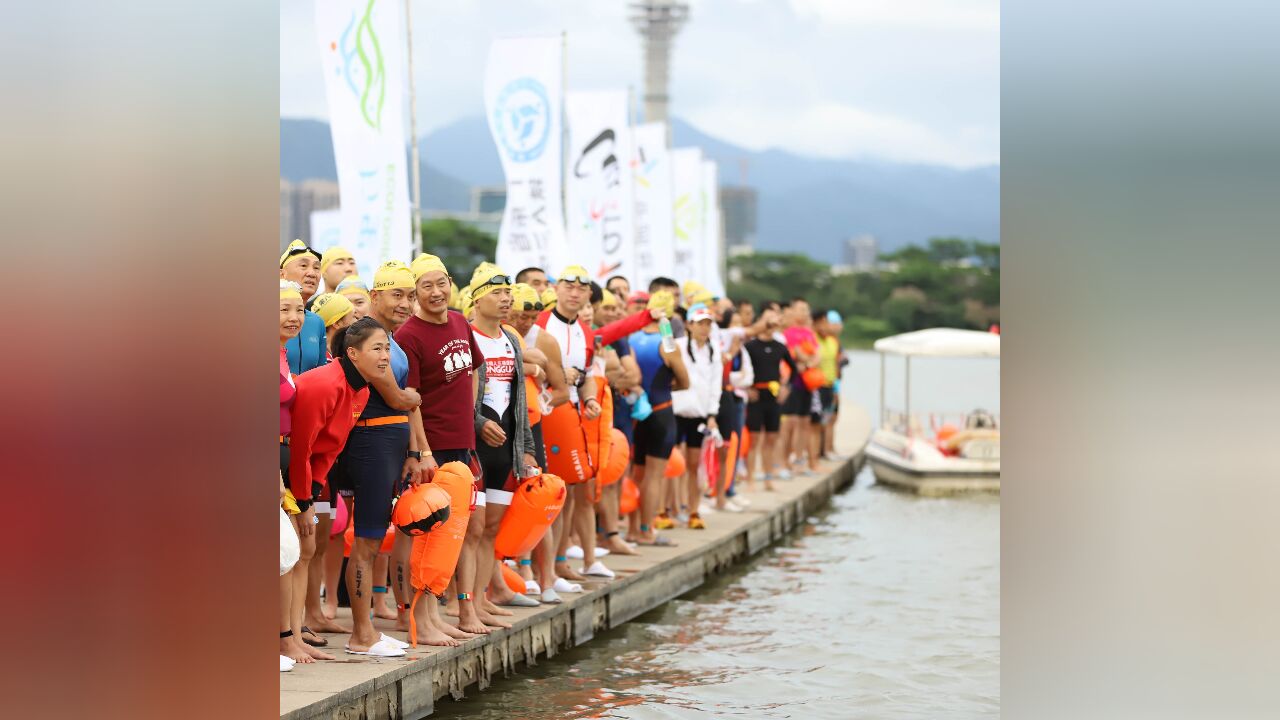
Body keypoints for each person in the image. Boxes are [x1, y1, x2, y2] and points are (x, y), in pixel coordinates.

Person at [398, 253, 499, 641]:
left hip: (464, 443)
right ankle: (419, 618)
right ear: (416, 293)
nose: (437, 292)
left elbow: (474, 369)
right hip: (433, 446)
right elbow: (411, 399)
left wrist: (470, 415)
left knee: (462, 529)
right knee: (427, 532)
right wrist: (420, 449)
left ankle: (444, 612)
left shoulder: (459, 321)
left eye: (442, 283)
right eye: (427, 286)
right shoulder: (410, 335)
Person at [337, 263, 429, 656]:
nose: (406, 303)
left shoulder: (392, 341)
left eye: (410, 296)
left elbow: (407, 401)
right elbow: (398, 397)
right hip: (370, 440)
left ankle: (367, 630)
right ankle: (361, 635)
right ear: (376, 296)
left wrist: (413, 450)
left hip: (389, 442)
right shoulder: (368, 337)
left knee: (372, 540)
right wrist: (410, 399)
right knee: (367, 541)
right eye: (398, 295)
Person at [288, 316, 389, 661]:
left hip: (305, 474)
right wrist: (302, 502)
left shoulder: (359, 387)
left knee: (303, 552)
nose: (386, 356)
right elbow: (301, 446)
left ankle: (295, 633)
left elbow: (330, 449)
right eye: (377, 348)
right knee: (293, 553)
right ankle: (285, 636)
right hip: (283, 465)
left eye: (387, 348)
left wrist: (312, 493)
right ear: (353, 353)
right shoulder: (326, 385)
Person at [467, 264, 540, 612]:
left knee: (492, 527)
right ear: (477, 299)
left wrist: (526, 448)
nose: (506, 299)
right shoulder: (466, 336)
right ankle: (461, 600)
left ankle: (483, 597)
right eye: (496, 293)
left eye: (508, 293)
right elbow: (455, 397)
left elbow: (520, 399)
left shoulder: (511, 339)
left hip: (506, 442)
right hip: (476, 442)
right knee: (471, 526)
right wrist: (478, 422)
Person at [536, 266, 613, 580]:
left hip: (572, 415)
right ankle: (540, 569)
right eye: (569, 286)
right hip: (542, 412)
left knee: (567, 488)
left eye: (581, 289)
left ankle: (559, 560)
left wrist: (591, 398)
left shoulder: (585, 331)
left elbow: (587, 376)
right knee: (548, 491)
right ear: (557, 289)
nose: (575, 293)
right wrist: (554, 377)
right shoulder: (541, 323)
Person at [508, 283, 574, 602]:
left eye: (532, 317)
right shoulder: (497, 332)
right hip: (501, 427)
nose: (526, 323)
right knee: (502, 504)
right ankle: (519, 573)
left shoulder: (544, 339)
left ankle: (546, 578)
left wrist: (538, 400)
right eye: (520, 316)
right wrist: (530, 366)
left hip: (531, 427)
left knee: (540, 501)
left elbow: (562, 389)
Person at [627, 290, 690, 546]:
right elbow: (685, 381)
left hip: (635, 412)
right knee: (654, 476)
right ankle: (646, 530)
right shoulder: (667, 343)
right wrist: (668, 386)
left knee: (636, 472)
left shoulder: (632, 338)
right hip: (661, 411)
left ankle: (631, 529)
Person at [279, 280, 317, 665]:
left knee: (292, 552)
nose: (294, 317)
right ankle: (283, 638)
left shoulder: (283, 353)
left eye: (298, 310)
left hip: (285, 458)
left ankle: (289, 636)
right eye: (283, 310)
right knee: (285, 551)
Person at [671, 304, 722, 530]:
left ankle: (693, 510)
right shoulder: (678, 346)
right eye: (700, 323)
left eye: (708, 324)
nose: (704, 328)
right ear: (689, 325)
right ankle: (666, 509)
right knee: (672, 462)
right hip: (675, 410)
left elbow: (716, 385)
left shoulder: (713, 351)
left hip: (699, 414)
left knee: (694, 464)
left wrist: (712, 413)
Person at [744, 307, 797, 491]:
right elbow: (742, 368)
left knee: (772, 438)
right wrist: (747, 388)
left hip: (773, 396)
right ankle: (750, 477)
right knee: (754, 438)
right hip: (756, 396)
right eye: (768, 320)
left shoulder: (780, 347)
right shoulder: (750, 346)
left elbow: (794, 369)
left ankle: (768, 476)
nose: (771, 324)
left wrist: (786, 387)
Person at [780, 298, 821, 475]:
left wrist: (810, 362)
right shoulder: (788, 333)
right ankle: (785, 459)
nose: (804, 313)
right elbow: (797, 353)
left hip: (809, 383)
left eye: (807, 310)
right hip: (794, 382)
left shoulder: (810, 333)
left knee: (805, 422)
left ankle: (799, 458)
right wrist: (808, 360)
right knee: (791, 422)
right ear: (793, 311)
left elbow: (818, 354)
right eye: (801, 309)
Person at [281, 240, 327, 375]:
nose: (312, 273)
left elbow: (321, 375)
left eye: (317, 268)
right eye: (303, 265)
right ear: (281, 275)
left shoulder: (317, 322)